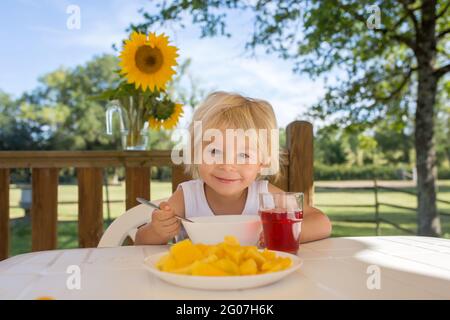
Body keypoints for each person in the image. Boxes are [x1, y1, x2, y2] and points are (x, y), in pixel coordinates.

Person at [135, 91, 331, 245]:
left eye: (244, 155)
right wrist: (157, 230)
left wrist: (286, 232)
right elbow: (141, 242)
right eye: (214, 152)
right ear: (195, 153)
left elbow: (321, 222)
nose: (228, 165)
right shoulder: (187, 196)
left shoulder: (266, 195)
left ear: (262, 161)